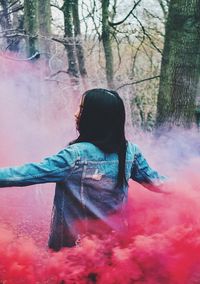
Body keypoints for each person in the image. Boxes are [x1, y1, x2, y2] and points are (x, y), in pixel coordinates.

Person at [0, 88, 166, 251]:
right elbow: (158, 183)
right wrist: (189, 190)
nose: (76, 114)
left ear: (93, 118)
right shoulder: (130, 151)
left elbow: (29, 173)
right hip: (115, 250)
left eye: (81, 109)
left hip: (75, 251)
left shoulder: (75, 155)